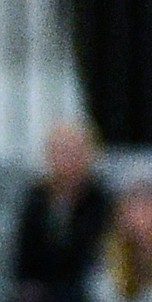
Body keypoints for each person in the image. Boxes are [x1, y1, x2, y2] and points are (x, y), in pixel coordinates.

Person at [10, 122, 111, 302]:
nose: (67, 159)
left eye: (74, 152)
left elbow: (98, 255)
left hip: (84, 287)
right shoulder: (36, 197)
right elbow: (24, 253)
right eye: (60, 152)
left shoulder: (101, 199)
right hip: (41, 290)